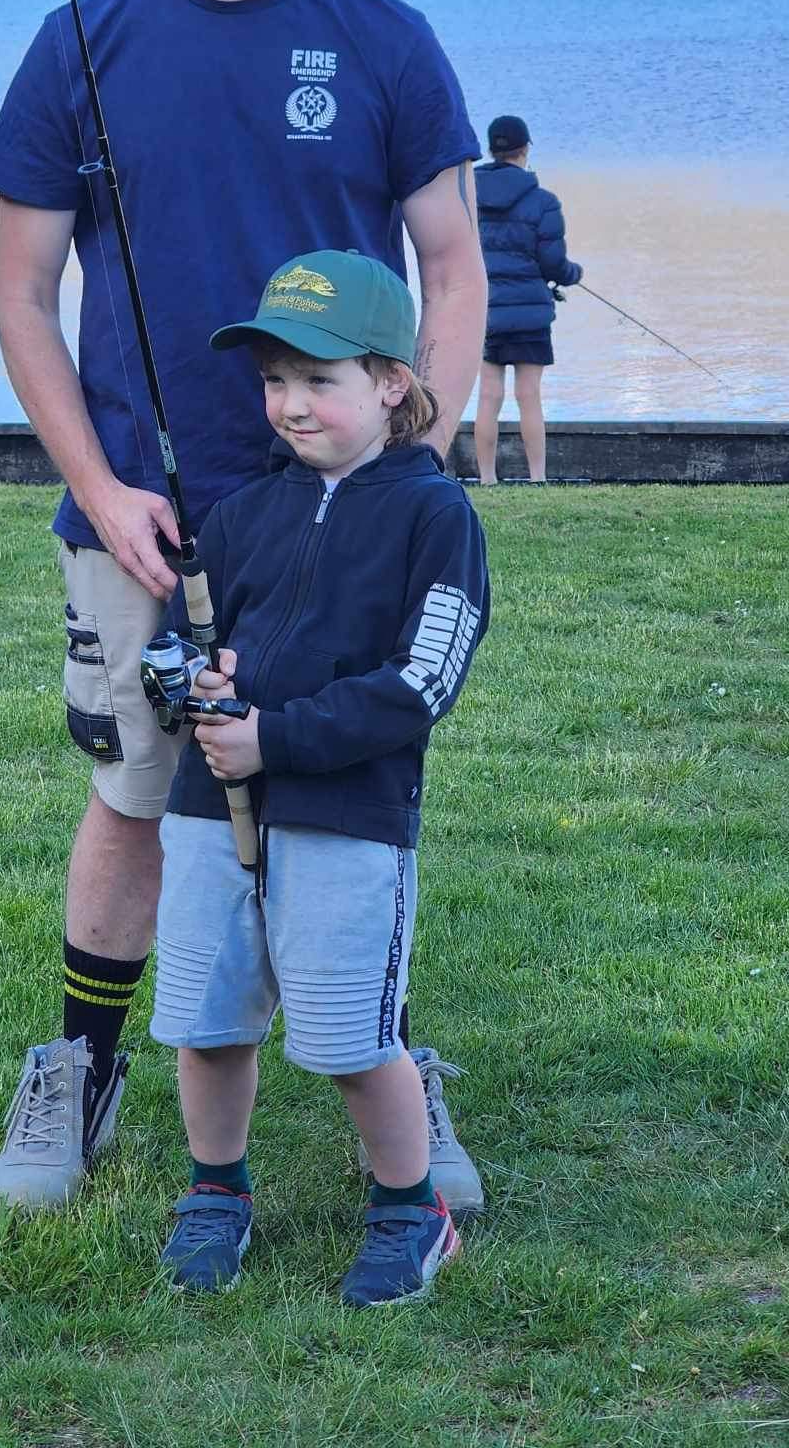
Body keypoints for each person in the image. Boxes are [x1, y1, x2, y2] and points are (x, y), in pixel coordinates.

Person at [0, 0, 488, 1213]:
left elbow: (450, 269)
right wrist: (106, 481)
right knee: (138, 798)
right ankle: (80, 1067)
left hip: (342, 512)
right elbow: (20, 296)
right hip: (143, 511)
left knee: (349, 787)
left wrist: (413, 454)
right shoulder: (80, 45)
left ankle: (388, 1048)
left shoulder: (385, 41)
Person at [149, 250, 488, 1305]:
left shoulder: (436, 518)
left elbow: (421, 680)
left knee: (352, 1038)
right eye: (273, 381)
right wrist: (190, 686)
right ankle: (217, 1189)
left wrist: (277, 739)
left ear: (391, 381)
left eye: (318, 380)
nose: (291, 404)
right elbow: (173, 646)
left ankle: (409, 1207)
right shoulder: (247, 512)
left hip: (348, 817)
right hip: (212, 811)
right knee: (207, 1021)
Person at [473, 116, 583, 485]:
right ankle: (538, 479)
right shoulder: (543, 202)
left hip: (484, 310)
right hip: (530, 315)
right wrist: (573, 274)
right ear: (525, 150)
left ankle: (487, 479)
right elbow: (553, 263)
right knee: (528, 396)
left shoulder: (466, 196)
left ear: (491, 149)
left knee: (488, 396)